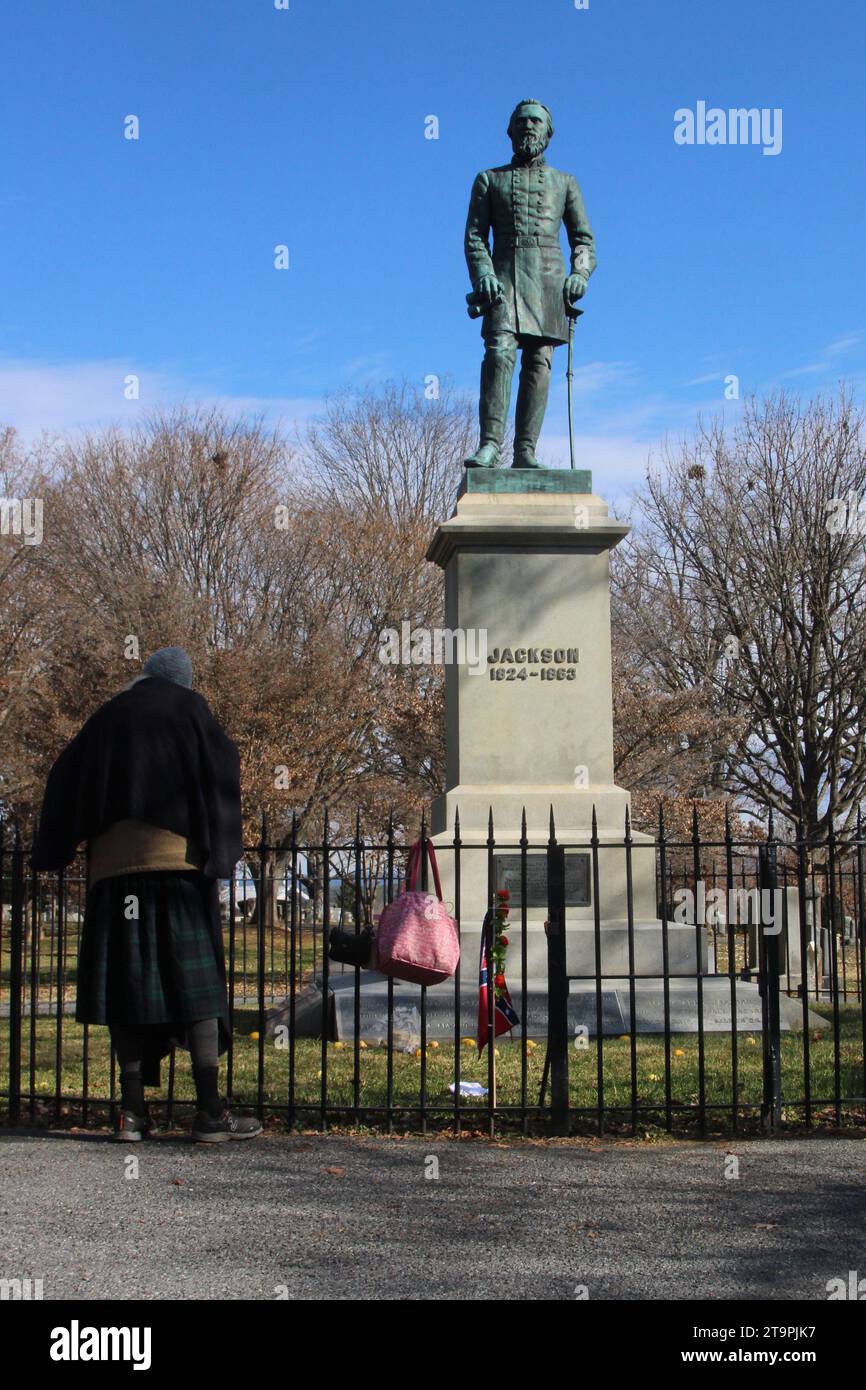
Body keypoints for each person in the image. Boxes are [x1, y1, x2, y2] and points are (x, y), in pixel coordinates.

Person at [32, 647, 263, 1144]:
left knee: (127, 987)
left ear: (145, 676)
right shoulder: (190, 709)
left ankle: (132, 1114)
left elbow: (63, 777)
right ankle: (210, 1114)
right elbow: (223, 769)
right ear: (183, 681)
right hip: (177, 868)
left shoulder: (109, 715)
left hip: (114, 874)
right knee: (196, 990)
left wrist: (54, 848)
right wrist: (219, 854)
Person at [463, 98, 596, 469]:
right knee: (499, 353)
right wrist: (484, 274)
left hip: (548, 282)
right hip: (503, 280)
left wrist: (580, 274)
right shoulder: (489, 180)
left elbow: (583, 240)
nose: (528, 127)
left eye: (536, 122)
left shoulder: (565, 183)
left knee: (539, 362)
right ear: (509, 131)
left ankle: (525, 451)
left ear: (549, 134)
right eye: (521, 122)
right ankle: (490, 444)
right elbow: (475, 236)